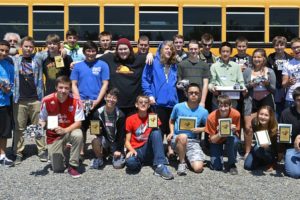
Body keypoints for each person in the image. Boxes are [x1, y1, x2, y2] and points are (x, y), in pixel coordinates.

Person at [39, 76, 84, 178]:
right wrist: (38, 129)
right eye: (61, 87)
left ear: (70, 89)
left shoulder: (76, 100)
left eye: (66, 88)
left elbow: (79, 123)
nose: (63, 91)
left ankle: (73, 166)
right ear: (56, 87)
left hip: (69, 131)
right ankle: (66, 150)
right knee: (57, 169)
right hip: (54, 136)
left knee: (78, 134)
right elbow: (42, 119)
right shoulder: (46, 100)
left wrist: (65, 130)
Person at [71, 41, 109, 156]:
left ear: (96, 52)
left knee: (96, 128)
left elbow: (105, 84)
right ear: (84, 52)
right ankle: (81, 153)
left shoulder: (102, 65)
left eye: (93, 51)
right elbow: (73, 84)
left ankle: (98, 153)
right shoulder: (78, 66)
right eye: (88, 51)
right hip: (81, 102)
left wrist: (97, 101)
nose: (91, 53)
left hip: (97, 103)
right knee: (81, 128)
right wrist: (78, 100)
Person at [12, 36, 47, 164]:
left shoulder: (38, 58)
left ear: (34, 48)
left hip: (36, 98)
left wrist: (63, 50)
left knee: (38, 126)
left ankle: (42, 150)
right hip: (19, 99)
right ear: (21, 47)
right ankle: (18, 152)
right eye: (26, 46)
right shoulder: (15, 59)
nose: (28, 49)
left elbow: (51, 50)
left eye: (31, 47)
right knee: (19, 128)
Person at [142, 40, 178, 157]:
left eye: (171, 49)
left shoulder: (174, 65)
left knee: (170, 128)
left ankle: (170, 150)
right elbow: (145, 80)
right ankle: (158, 153)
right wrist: (150, 95)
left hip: (172, 103)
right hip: (157, 103)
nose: (169, 50)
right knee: (157, 129)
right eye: (166, 48)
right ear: (161, 50)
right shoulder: (152, 62)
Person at [125, 95, 174, 180]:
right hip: (137, 150)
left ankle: (160, 165)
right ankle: (145, 161)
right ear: (136, 105)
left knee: (156, 131)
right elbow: (126, 141)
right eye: (141, 102)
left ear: (148, 105)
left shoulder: (153, 116)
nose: (143, 104)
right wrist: (131, 150)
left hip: (149, 148)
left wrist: (155, 126)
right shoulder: (130, 119)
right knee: (130, 164)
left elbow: (158, 135)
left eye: (146, 102)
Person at [100, 38, 146, 117]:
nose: (123, 51)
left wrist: (150, 55)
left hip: (133, 105)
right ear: (116, 50)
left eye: (125, 49)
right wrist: (76, 63)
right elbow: (92, 59)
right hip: (115, 104)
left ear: (130, 49)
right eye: (120, 49)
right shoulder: (110, 58)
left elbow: (159, 60)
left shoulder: (139, 59)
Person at [168, 83, 208, 175]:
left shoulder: (203, 111)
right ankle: (182, 163)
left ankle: (186, 155)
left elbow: (209, 127)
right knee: (183, 136)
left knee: (198, 168)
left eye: (196, 93)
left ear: (200, 94)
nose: (193, 95)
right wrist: (171, 132)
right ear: (186, 94)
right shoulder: (178, 107)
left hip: (193, 141)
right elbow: (171, 121)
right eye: (191, 93)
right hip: (177, 139)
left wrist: (200, 129)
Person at [243, 49, 276, 157]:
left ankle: (266, 151)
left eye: (259, 57)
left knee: (266, 127)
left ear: (264, 58)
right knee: (248, 127)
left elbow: (274, 90)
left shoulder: (270, 71)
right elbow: (243, 86)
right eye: (255, 57)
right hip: (251, 100)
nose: (257, 59)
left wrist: (267, 84)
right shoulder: (247, 71)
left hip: (266, 99)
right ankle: (247, 151)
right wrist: (251, 85)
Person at [90, 88, 126, 169]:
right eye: (109, 97)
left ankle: (113, 153)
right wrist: (97, 130)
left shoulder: (121, 115)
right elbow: (95, 131)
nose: (111, 100)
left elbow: (121, 134)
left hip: (116, 141)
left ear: (117, 100)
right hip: (105, 139)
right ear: (105, 97)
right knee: (95, 141)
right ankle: (100, 157)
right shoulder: (97, 113)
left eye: (114, 98)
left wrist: (119, 149)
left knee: (118, 166)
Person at [204, 95, 240, 175]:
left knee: (234, 141)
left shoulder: (236, 114)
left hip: (229, 138)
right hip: (216, 140)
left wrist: (233, 130)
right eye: (221, 106)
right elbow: (212, 139)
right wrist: (220, 133)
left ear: (231, 105)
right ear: (217, 106)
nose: (223, 109)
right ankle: (216, 156)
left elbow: (237, 133)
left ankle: (232, 164)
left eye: (226, 106)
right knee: (216, 167)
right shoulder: (211, 117)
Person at [208, 42, 245, 109]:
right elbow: (211, 83)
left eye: (227, 51)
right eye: (223, 51)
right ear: (220, 52)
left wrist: (243, 89)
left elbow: (241, 83)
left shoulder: (236, 66)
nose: (225, 54)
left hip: (232, 103)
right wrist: (212, 89)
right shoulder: (214, 66)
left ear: (231, 53)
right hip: (217, 102)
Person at [244, 106, 278, 171]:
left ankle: (272, 162)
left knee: (258, 149)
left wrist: (267, 147)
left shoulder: (275, 129)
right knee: (247, 166)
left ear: (270, 117)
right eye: (261, 114)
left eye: (266, 115)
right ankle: (262, 160)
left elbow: (277, 147)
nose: (263, 117)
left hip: (272, 148)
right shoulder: (254, 122)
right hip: (260, 144)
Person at [177, 40, 210, 107]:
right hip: (185, 101)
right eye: (191, 49)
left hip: (199, 101)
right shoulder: (181, 65)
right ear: (188, 50)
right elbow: (179, 82)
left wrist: (202, 102)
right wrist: (180, 84)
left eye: (195, 49)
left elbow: (205, 84)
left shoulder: (204, 65)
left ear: (199, 50)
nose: (193, 51)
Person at [267, 36, 292, 119]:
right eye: (276, 45)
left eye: (281, 45)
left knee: (286, 109)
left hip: (287, 87)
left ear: (285, 46)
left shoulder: (290, 58)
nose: (279, 47)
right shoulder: (270, 57)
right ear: (273, 46)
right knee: (276, 110)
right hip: (275, 86)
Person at [279, 87, 300, 178]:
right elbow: (283, 137)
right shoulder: (286, 113)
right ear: (294, 100)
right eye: (299, 100)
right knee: (295, 174)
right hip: (292, 148)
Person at [0, 40, 14, 167]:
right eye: (1, 50)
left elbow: (12, 85)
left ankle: (2, 156)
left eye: (6, 51)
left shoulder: (8, 66)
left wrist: (7, 89)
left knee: (4, 132)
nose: (3, 53)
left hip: (4, 103)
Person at [282, 37, 300, 107]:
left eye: (298, 47)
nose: (296, 49)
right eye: (293, 48)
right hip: (291, 99)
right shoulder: (287, 64)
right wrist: (289, 82)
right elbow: (283, 84)